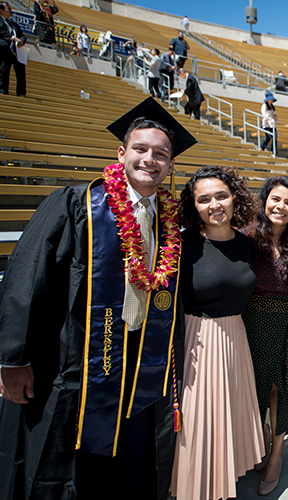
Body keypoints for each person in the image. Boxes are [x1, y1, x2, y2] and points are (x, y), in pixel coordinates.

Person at [0, 97, 197, 499]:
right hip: (74, 366)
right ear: (121, 153)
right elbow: (28, 278)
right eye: (140, 149)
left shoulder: (170, 220)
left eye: (161, 154)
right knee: (65, 468)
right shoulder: (76, 205)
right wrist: (13, 358)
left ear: (171, 165)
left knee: (129, 472)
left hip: (140, 373)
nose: (150, 160)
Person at [172, 166, 265, 500]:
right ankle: (195, 488)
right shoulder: (182, 245)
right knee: (198, 423)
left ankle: (223, 478)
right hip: (198, 338)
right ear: (193, 205)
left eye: (221, 195)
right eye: (204, 199)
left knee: (228, 415)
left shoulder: (246, 243)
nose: (214, 204)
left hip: (235, 338)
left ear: (234, 198)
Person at [241, 176, 288, 496]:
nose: (280, 207)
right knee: (254, 387)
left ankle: (277, 454)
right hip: (252, 322)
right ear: (264, 200)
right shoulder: (247, 237)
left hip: (287, 323)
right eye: (275, 199)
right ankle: (260, 440)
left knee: (282, 387)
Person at [0, 2, 26, 97]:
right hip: (4, 49)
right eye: (8, 8)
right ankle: (3, 91)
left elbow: (22, 36)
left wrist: (22, 41)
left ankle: (21, 93)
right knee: (4, 70)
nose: (11, 10)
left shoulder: (13, 24)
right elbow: (1, 33)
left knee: (21, 72)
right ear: (1, 10)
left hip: (16, 51)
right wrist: (12, 37)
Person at [261, 91, 278, 156]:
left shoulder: (272, 107)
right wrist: (268, 120)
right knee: (268, 137)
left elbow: (273, 114)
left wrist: (275, 116)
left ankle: (274, 152)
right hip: (266, 124)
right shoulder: (264, 106)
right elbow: (264, 115)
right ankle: (262, 147)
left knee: (275, 138)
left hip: (272, 125)